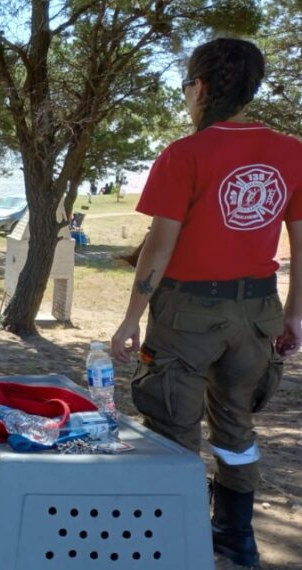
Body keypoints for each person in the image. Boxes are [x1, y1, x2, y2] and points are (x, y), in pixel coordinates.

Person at [109, 38, 302, 569]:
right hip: (258, 310)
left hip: (187, 313)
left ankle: (177, 535)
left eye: (187, 87)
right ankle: (236, 538)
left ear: (199, 87)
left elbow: (160, 246)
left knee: (173, 426)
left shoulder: (185, 154)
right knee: (238, 426)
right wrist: (293, 314)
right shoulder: (292, 152)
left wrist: (130, 320)